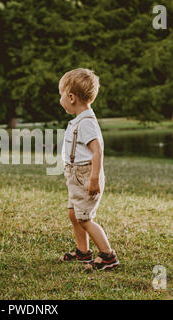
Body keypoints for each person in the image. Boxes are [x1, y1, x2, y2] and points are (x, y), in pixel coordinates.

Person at [58, 68, 119, 270]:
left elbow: (97, 151)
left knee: (85, 218)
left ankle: (108, 255)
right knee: (74, 214)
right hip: (76, 176)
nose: (60, 100)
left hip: (85, 176)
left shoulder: (86, 123)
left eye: (61, 95)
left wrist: (94, 178)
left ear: (71, 97)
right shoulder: (79, 120)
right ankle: (83, 251)